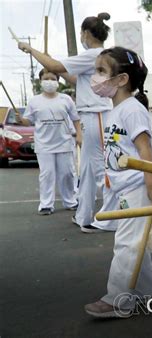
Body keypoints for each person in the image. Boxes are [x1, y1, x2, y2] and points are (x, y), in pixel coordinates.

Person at [18, 12, 118, 233]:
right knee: (89, 170)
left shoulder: (94, 54)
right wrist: (55, 66)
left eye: (82, 33)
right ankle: (84, 215)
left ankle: (113, 217)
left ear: (85, 33)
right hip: (92, 115)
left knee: (102, 168)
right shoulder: (98, 56)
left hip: (98, 115)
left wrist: (32, 50)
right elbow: (74, 77)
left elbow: (53, 66)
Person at [83, 47, 152, 317]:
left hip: (138, 185)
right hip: (124, 187)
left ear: (122, 80)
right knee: (135, 242)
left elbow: (145, 151)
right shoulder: (114, 111)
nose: (95, 77)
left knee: (127, 242)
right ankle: (148, 295)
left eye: (101, 71)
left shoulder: (132, 110)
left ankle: (119, 298)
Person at [15, 69, 82, 215]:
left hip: (64, 142)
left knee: (67, 173)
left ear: (58, 81)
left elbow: (76, 118)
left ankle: (70, 200)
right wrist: (21, 120)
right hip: (44, 144)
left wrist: (79, 135)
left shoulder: (66, 99)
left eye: (53, 78)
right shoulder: (34, 101)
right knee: (47, 174)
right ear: (41, 81)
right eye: (46, 78)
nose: (49, 81)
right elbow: (28, 121)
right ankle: (46, 204)